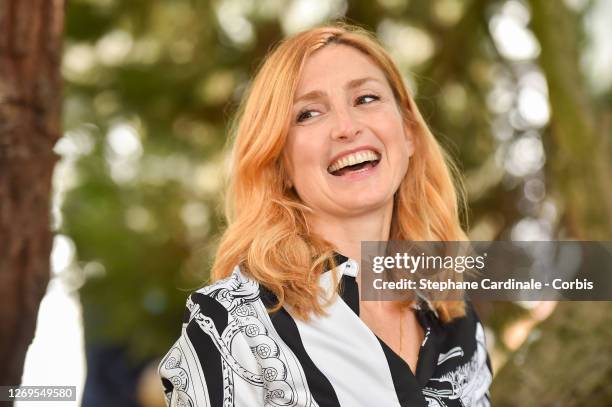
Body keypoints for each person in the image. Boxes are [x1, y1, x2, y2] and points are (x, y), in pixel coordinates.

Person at [158, 23, 492, 407]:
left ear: (410, 133)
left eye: (366, 98)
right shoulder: (232, 326)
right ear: (279, 161)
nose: (347, 128)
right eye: (309, 113)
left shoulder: (455, 315)